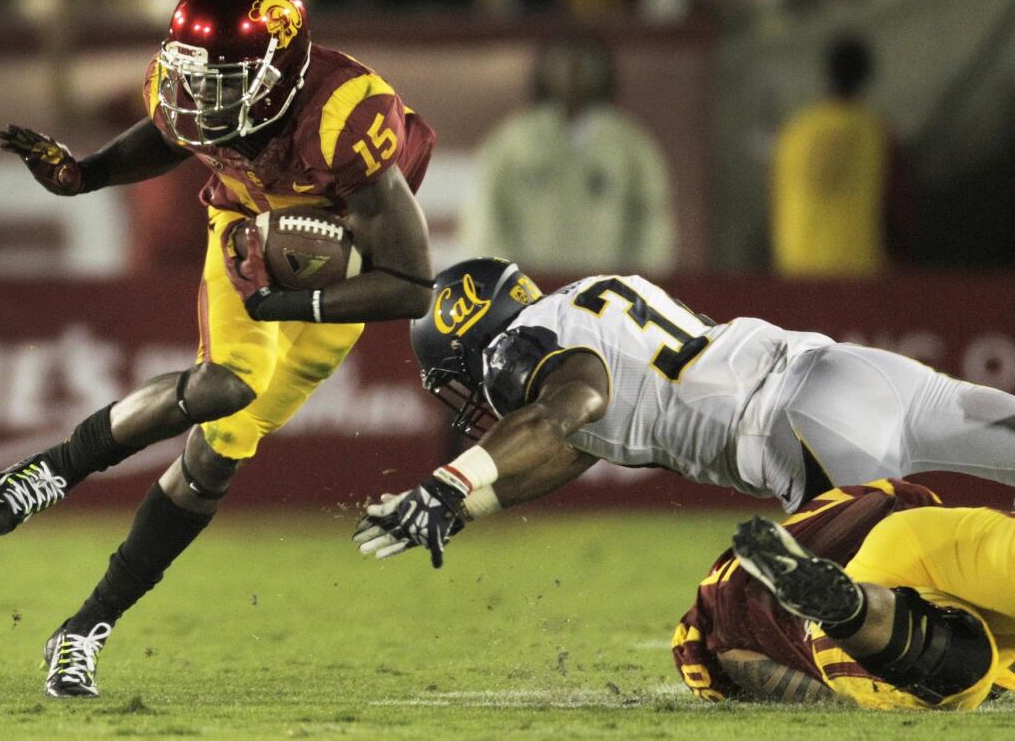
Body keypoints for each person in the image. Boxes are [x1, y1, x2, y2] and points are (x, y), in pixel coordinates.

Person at [0, 0, 436, 697]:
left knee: (218, 452)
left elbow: (410, 285)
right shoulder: (187, 86)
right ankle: (51, 470)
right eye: (194, 76)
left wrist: (288, 303)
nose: (199, 95)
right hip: (245, 226)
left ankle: (82, 628)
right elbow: (168, 134)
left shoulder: (346, 114)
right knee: (228, 381)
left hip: (339, 264)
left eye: (222, 80)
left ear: (277, 72)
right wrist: (86, 176)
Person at [353, 257, 1015, 567]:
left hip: (797, 430)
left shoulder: (526, 348)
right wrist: (468, 506)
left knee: (857, 622)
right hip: (857, 371)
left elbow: (572, 405)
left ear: (477, 338)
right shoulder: (583, 301)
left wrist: (450, 482)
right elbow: (575, 442)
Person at [670, 480, 1015, 710]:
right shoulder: (839, 508)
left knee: (958, 672)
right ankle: (850, 611)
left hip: (880, 604)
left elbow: (732, 659)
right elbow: (899, 493)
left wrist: (835, 696)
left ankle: (851, 611)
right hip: (922, 533)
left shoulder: (721, 616)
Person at [461, 35, 675, 274]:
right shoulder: (513, 140)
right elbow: (486, 214)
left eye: (584, 63)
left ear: (603, 72)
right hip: (531, 289)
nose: (573, 72)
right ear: (544, 71)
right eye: (562, 62)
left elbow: (651, 219)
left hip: (607, 292)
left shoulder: (630, 143)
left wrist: (643, 282)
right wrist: (501, 280)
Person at [771, 34, 909, 277]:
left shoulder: (795, 130)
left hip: (795, 268)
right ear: (867, 75)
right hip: (858, 270)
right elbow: (897, 211)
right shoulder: (876, 132)